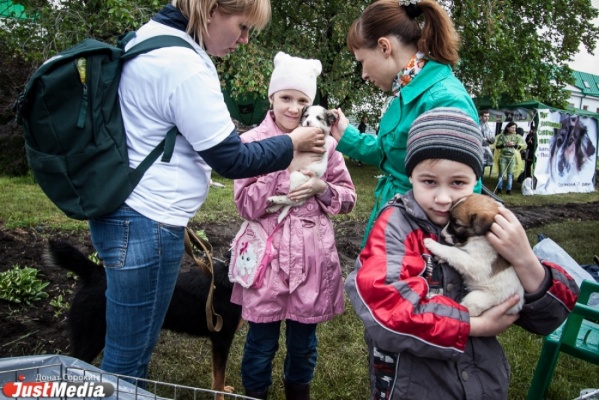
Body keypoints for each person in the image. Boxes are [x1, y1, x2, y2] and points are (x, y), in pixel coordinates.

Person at [88, 0, 326, 383]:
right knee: (128, 360)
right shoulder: (183, 66)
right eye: (243, 27)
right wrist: (292, 143)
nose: (245, 40)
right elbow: (230, 159)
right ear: (212, 9)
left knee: (127, 346)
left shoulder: (149, 38)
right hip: (146, 223)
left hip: (131, 215)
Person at [345, 108, 579, 400]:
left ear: (476, 181)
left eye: (458, 183)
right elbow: (386, 310)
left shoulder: (491, 221)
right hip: (412, 386)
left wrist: (524, 258)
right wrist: (475, 326)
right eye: (429, 181)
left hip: (482, 383)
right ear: (411, 178)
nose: (443, 199)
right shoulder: (396, 225)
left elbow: (549, 319)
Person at [231, 52, 357, 400]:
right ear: (271, 97)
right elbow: (245, 204)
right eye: (286, 97)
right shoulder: (253, 142)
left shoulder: (328, 146)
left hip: (311, 259)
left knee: (303, 345)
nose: (293, 107)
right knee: (260, 343)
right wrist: (283, 174)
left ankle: (297, 394)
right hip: (266, 262)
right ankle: (255, 394)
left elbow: (348, 198)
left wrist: (323, 189)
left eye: (302, 100)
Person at [331, 0, 479, 246]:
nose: (364, 74)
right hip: (398, 224)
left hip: (419, 242)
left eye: (362, 62)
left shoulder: (444, 99)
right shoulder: (406, 94)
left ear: (384, 47)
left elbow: (464, 194)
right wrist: (346, 135)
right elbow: (392, 152)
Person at [495, 121, 526, 194]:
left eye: (515, 128)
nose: (514, 129)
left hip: (512, 157)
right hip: (503, 157)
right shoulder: (502, 136)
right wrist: (505, 144)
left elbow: (520, 146)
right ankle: (499, 188)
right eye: (512, 127)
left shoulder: (517, 136)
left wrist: (514, 145)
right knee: (501, 174)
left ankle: (508, 190)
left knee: (510, 174)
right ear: (508, 128)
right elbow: (497, 146)